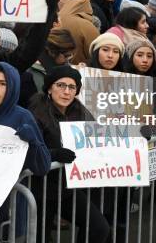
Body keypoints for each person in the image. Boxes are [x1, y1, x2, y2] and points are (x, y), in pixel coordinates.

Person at [28, 65, 110, 243]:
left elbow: (102, 137)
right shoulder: (36, 112)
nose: (66, 92)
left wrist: (137, 137)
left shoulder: (79, 110)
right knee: (40, 238)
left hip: (67, 187)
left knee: (98, 227)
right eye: (61, 85)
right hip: (40, 189)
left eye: (72, 87)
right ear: (49, 88)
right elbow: (29, 150)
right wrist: (54, 154)